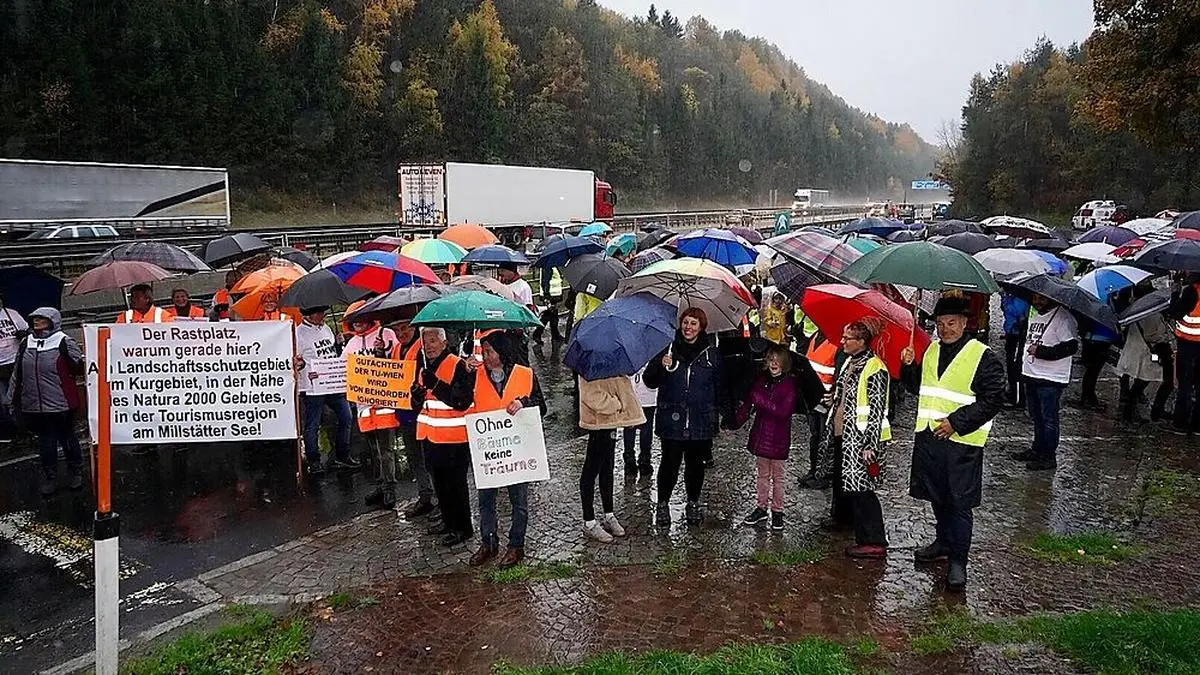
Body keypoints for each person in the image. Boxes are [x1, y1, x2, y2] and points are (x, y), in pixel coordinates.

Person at [901, 296, 1006, 591]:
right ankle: (943, 542)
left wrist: (957, 422)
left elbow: (994, 398)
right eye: (941, 324)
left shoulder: (982, 356)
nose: (945, 329)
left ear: (964, 323)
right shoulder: (932, 349)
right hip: (930, 437)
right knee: (937, 495)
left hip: (961, 443)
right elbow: (917, 388)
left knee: (959, 503)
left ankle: (959, 561)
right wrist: (908, 366)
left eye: (951, 324)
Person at [469, 331, 546, 567]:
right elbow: (461, 400)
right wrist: (464, 372)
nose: (485, 356)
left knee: (519, 501)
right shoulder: (475, 375)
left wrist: (524, 402)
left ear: (501, 352)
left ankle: (516, 546)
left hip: (516, 451)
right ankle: (489, 542)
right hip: (489, 451)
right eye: (483, 352)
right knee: (485, 501)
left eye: (489, 351)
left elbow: (541, 406)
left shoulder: (525, 374)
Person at [644, 308, 724, 526]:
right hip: (672, 418)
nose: (688, 327)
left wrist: (720, 415)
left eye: (694, 323)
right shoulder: (668, 349)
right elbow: (649, 381)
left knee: (695, 465)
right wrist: (661, 367)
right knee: (669, 463)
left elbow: (719, 386)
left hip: (700, 419)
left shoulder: (711, 353)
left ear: (701, 327)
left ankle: (693, 502)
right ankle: (662, 504)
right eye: (686, 322)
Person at [823, 320, 891, 558]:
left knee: (863, 491)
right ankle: (853, 525)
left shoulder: (875, 367)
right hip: (845, 436)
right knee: (850, 486)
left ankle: (874, 540)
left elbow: (877, 409)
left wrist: (870, 445)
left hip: (861, 441)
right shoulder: (850, 362)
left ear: (861, 341)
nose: (842, 342)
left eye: (847, 338)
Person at [5, 308, 85, 495]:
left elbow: (79, 368)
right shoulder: (26, 343)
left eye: (42, 318)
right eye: (35, 318)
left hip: (62, 404)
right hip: (34, 405)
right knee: (46, 443)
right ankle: (50, 477)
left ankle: (76, 472)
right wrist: (11, 398)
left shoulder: (64, 342)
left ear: (52, 320)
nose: (37, 321)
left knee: (68, 439)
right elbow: (18, 373)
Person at [411, 327, 476, 547]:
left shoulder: (457, 365)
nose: (428, 346)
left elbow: (461, 400)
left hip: (454, 437)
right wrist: (416, 396)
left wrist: (436, 385)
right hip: (431, 436)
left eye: (432, 341)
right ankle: (448, 522)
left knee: (456, 486)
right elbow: (418, 405)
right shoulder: (424, 368)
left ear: (444, 342)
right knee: (440, 484)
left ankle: (463, 527)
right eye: (425, 342)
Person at [736, 346, 799, 531]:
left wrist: (760, 399)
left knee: (778, 477)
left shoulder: (789, 385)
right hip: (761, 434)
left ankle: (778, 511)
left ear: (784, 364)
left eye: (777, 360)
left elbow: (783, 411)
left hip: (778, 437)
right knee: (762, 475)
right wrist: (735, 420)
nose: (774, 363)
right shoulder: (761, 381)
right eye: (771, 359)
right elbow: (748, 404)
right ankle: (761, 507)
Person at [578, 372, 645, 542]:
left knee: (607, 469)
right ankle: (589, 521)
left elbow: (621, 386)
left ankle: (609, 514)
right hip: (597, 423)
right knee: (591, 471)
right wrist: (615, 403)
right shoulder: (589, 365)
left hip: (611, 423)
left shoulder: (613, 363)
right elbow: (590, 395)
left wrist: (630, 411)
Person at [1015, 293, 1078, 471]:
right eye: (1034, 298)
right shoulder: (1036, 315)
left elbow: (1071, 346)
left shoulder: (1063, 318)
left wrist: (1043, 352)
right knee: (1037, 416)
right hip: (1032, 374)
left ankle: (1048, 456)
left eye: (1041, 298)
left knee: (1049, 419)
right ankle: (1038, 448)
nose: (1037, 301)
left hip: (1051, 378)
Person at [295, 306, 357, 477]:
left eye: (323, 312)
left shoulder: (327, 329)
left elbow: (331, 355)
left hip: (332, 383)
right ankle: (314, 460)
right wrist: (305, 367)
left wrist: (337, 345)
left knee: (346, 416)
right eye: (319, 312)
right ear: (308, 314)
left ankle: (342, 454)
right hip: (312, 386)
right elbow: (296, 361)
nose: (323, 315)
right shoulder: (298, 334)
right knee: (312, 424)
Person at [392, 319, 436, 518]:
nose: (401, 333)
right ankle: (425, 495)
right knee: (415, 456)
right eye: (396, 330)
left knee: (429, 458)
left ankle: (439, 499)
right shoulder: (396, 349)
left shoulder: (422, 349)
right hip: (404, 411)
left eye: (404, 328)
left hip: (422, 410)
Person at [1117, 309, 1173, 424]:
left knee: (1140, 383)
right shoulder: (1153, 315)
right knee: (1141, 383)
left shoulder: (1137, 313)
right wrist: (1165, 337)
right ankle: (1130, 414)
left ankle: (1129, 414)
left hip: (1137, 352)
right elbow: (1153, 336)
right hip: (1146, 354)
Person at [800, 329, 839, 489]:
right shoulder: (816, 336)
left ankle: (823, 475)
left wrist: (834, 396)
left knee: (825, 438)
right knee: (815, 436)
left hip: (827, 400)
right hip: (812, 397)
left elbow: (838, 374)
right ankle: (814, 470)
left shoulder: (836, 344)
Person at [1167, 273, 1200, 434]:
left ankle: (1180, 423)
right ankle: (1197, 425)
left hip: (1188, 344)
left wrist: (1174, 293)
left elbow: (1175, 312)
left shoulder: (1192, 291)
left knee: (1185, 385)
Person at [0, 299, 29, 441]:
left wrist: (23, 334)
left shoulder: (11, 314)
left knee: (20, 397)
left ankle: (25, 429)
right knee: (5, 400)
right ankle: (13, 430)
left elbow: (28, 331)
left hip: (15, 362)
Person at [622, 364, 656, 482]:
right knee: (645, 429)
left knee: (630, 428)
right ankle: (644, 461)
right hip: (647, 394)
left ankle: (630, 462)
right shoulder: (653, 350)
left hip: (633, 393)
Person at [1000, 292, 1030, 407]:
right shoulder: (1013, 295)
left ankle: (1017, 398)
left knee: (1015, 366)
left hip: (1018, 334)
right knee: (1010, 364)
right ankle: (1013, 391)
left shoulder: (1021, 297)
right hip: (1011, 332)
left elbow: (1014, 310)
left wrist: (1005, 299)